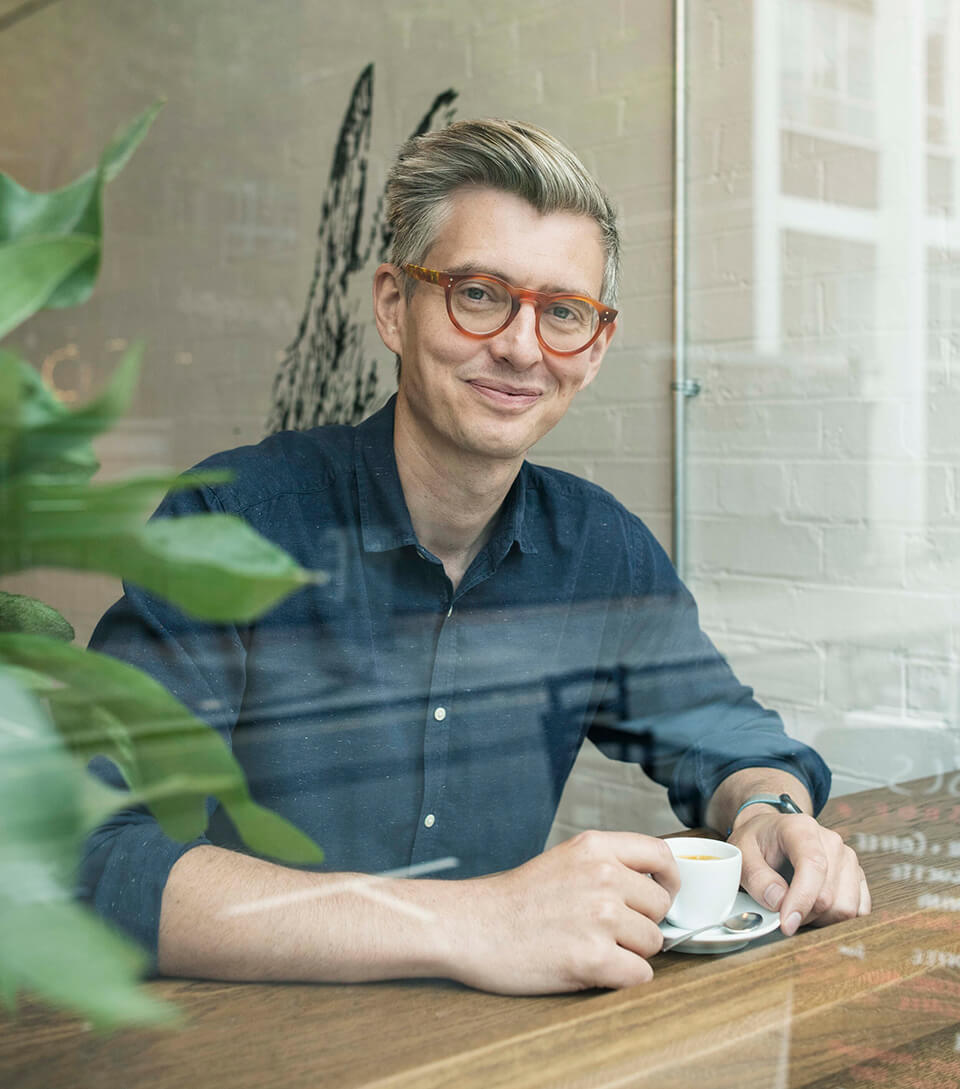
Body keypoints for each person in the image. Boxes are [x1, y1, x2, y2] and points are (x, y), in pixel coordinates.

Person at [80, 119, 870, 995]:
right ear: (393, 305)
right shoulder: (228, 523)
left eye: (563, 311)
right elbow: (92, 856)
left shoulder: (597, 551)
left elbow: (726, 738)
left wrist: (769, 810)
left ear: (596, 346)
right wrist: (471, 919)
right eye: (480, 293)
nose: (523, 348)